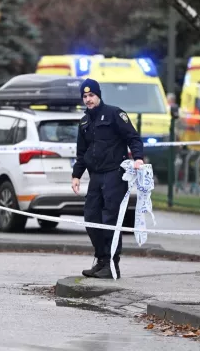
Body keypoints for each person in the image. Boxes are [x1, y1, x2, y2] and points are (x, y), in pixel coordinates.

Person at [71, 78, 144, 279]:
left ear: (98, 95)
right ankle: (101, 259)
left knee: (109, 219)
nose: (88, 99)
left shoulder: (114, 114)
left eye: (91, 95)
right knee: (91, 218)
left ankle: (112, 264)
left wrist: (138, 158)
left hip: (114, 174)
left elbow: (133, 138)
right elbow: (82, 151)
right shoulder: (84, 121)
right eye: (84, 96)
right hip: (96, 175)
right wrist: (76, 175)